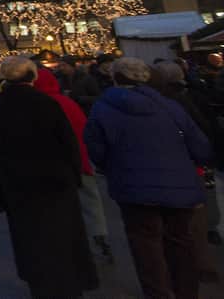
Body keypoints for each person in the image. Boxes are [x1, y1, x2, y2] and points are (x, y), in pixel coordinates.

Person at [85, 57, 212, 299]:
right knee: (180, 241)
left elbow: (97, 149)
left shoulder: (104, 108)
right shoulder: (170, 106)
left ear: (116, 78)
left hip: (133, 186)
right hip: (178, 184)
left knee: (145, 246)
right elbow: (199, 144)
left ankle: (158, 292)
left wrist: (112, 165)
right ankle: (186, 291)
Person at [0, 56, 98, 299]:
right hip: (54, 178)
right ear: (31, 76)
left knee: (28, 234)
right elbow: (67, 141)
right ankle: (67, 281)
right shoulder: (46, 103)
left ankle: (37, 280)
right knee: (60, 234)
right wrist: (74, 173)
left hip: (17, 179)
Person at [34, 67, 114, 265]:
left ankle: (69, 243)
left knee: (62, 203)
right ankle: (100, 238)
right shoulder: (67, 102)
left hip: (56, 163)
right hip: (81, 159)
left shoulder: (40, 105)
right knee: (90, 201)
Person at [149, 60, 221, 279]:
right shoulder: (186, 97)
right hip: (189, 167)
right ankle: (199, 264)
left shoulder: (171, 102)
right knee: (192, 220)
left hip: (173, 168)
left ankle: (184, 267)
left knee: (182, 223)